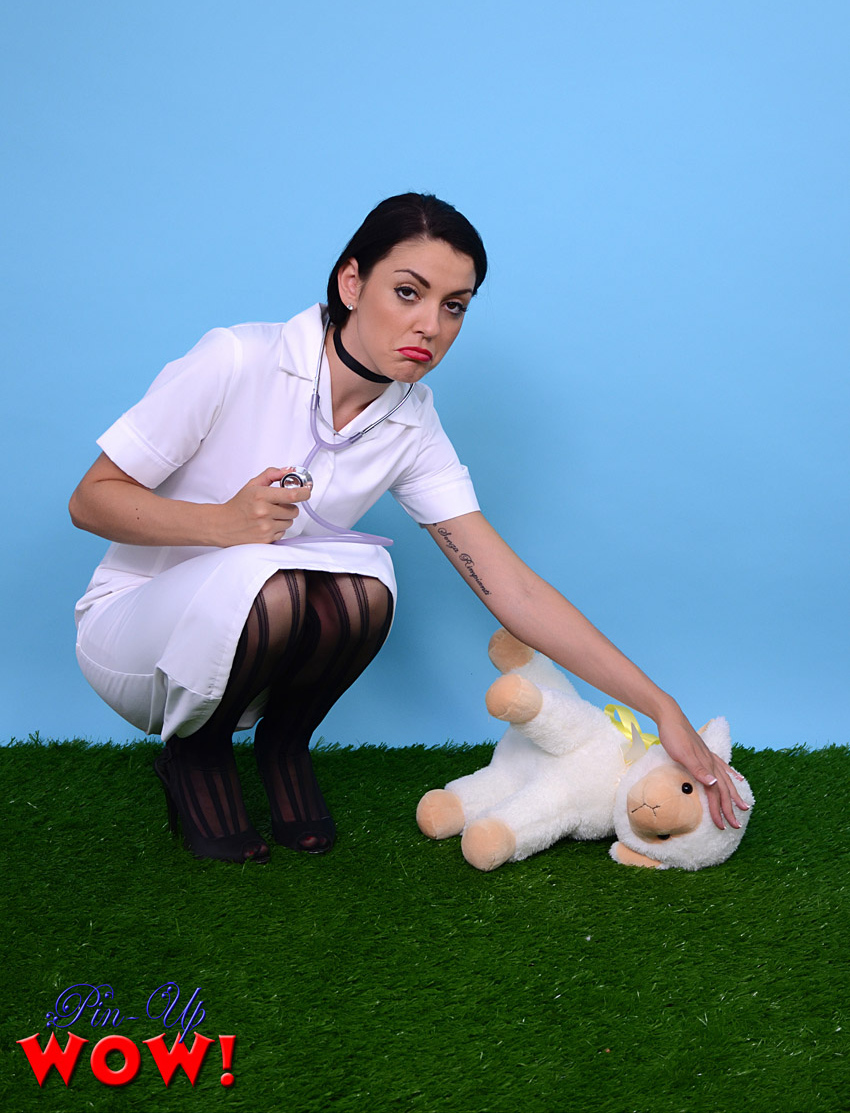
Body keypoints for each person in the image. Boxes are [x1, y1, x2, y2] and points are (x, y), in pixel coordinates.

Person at [69, 192, 748, 864]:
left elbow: (512, 587)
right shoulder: (239, 357)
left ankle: (284, 743)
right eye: (407, 292)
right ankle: (198, 752)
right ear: (351, 283)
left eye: (454, 306)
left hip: (250, 646)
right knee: (269, 575)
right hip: (134, 634)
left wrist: (661, 706)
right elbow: (89, 500)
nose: (430, 325)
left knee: (367, 585)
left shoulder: (411, 419)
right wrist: (222, 523)